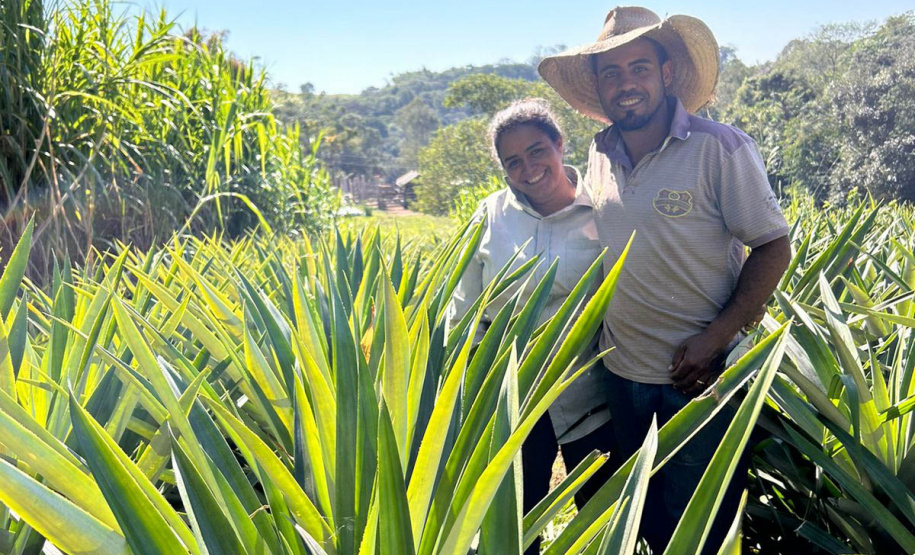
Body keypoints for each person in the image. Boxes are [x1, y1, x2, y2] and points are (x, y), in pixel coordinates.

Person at [538, 7, 792, 553]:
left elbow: (773, 245)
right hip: (622, 378)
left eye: (639, 68)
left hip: (700, 380)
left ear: (666, 73)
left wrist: (715, 339)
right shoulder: (599, 152)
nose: (625, 83)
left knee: (703, 530)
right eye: (611, 72)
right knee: (645, 525)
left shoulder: (720, 147)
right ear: (600, 86)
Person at [449, 98, 619, 555]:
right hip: (509, 397)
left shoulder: (606, 213)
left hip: (590, 392)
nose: (528, 169)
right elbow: (463, 310)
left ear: (561, 145)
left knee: (601, 518)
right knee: (515, 526)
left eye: (538, 151)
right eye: (513, 162)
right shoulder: (489, 215)